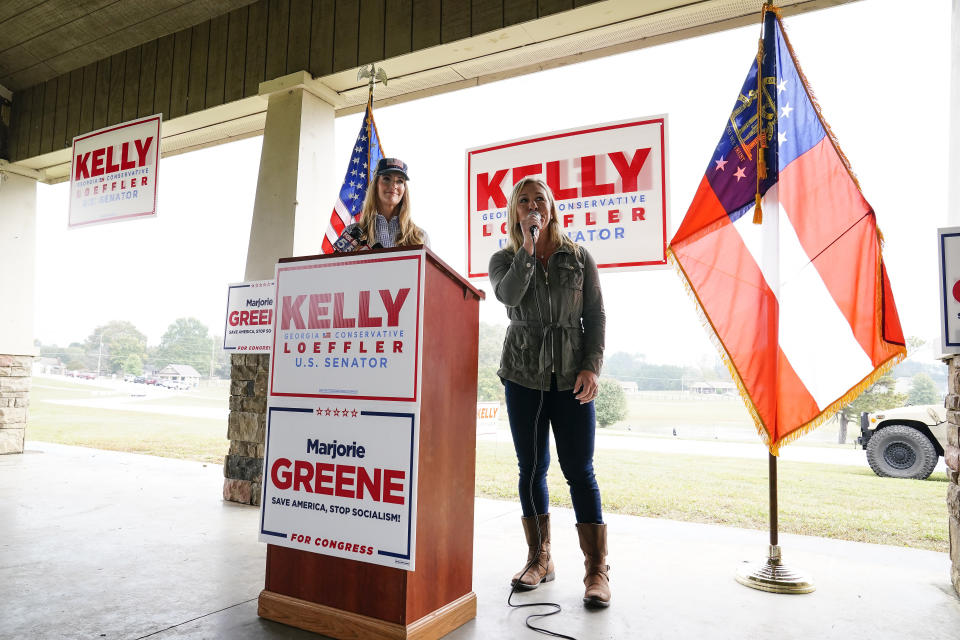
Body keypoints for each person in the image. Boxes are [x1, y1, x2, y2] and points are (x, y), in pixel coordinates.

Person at [488, 177, 609, 608]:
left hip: (572, 377)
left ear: (552, 207)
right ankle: (540, 558)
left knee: (580, 470)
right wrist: (526, 247)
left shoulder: (577, 257)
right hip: (523, 376)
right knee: (531, 468)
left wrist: (591, 367)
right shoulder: (504, 258)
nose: (533, 206)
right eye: (524, 202)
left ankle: (596, 570)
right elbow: (508, 295)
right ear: (515, 212)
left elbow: (595, 314)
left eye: (540, 200)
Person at [342, 157, 429, 249]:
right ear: (375, 185)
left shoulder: (420, 237)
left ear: (404, 189)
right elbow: (339, 263)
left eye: (400, 181)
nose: (393, 185)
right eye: (387, 178)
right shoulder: (350, 233)